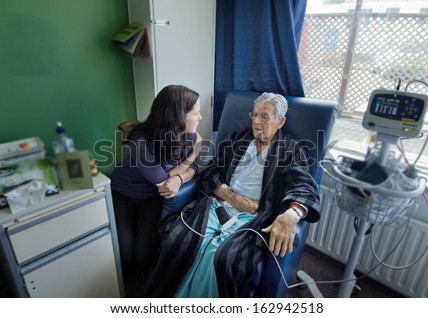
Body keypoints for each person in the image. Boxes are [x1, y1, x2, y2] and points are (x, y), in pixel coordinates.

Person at [143, 92, 320, 297]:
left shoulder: (290, 149)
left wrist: (292, 213)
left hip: (254, 217)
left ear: (280, 122)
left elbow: (304, 185)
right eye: (254, 115)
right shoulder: (237, 139)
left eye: (264, 116)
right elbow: (210, 171)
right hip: (217, 204)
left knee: (224, 258)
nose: (255, 121)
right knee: (179, 242)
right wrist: (230, 196)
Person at [110, 84, 202, 283]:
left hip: (149, 197)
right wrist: (195, 152)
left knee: (143, 257)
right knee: (124, 257)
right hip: (124, 193)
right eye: (196, 113)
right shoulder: (141, 142)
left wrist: (179, 178)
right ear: (178, 116)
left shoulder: (189, 135)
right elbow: (162, 180)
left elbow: (194, 168)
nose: (200, 118)